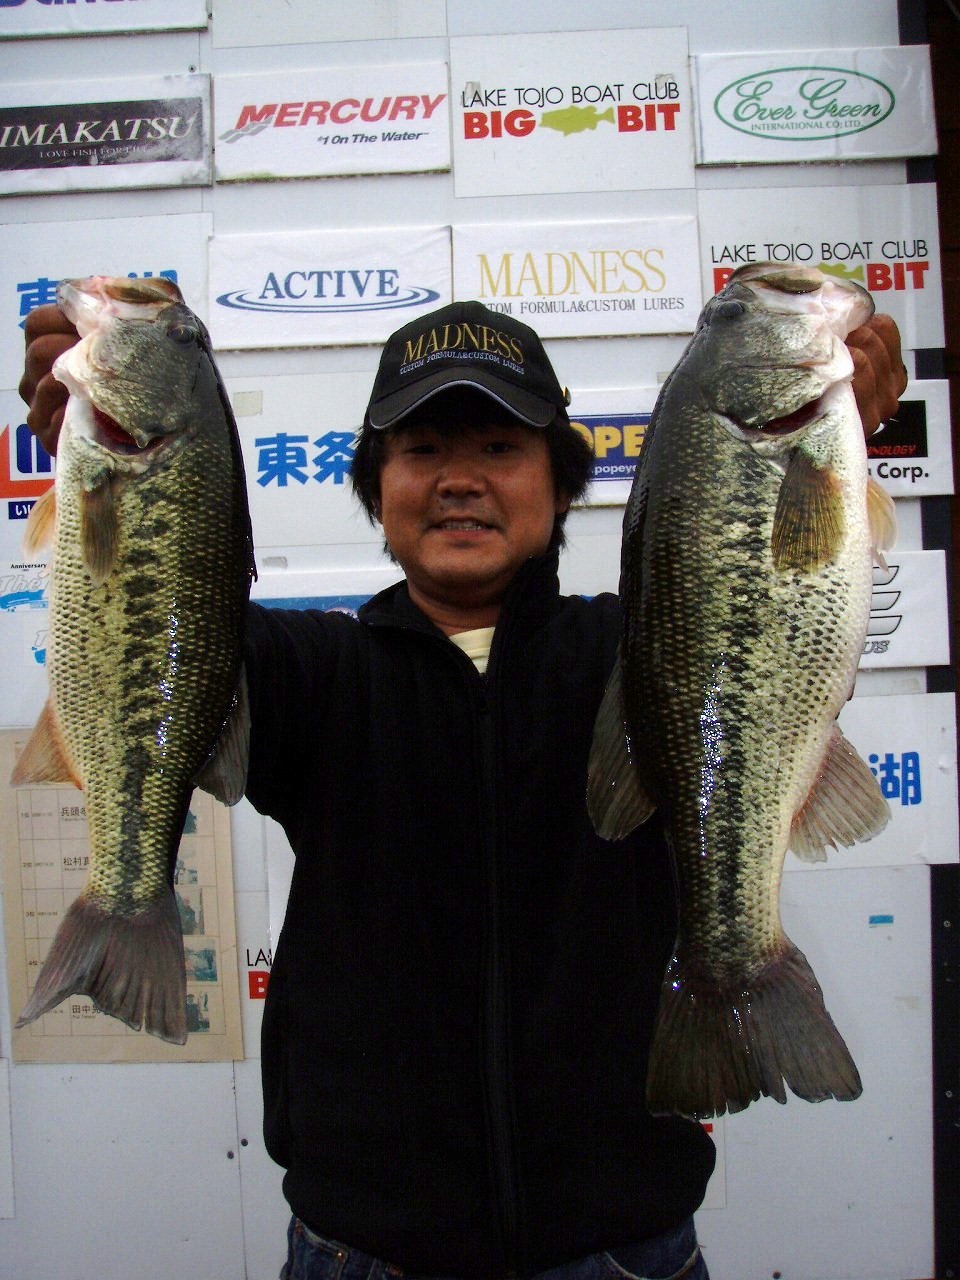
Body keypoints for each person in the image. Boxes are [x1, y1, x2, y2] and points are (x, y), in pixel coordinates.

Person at [19, 296, 907, 1280]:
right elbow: (163, 616)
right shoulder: (307, 673)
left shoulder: (649, 652)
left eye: (498, 446)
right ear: (378, 487)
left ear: (560, 485)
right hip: (359, 1245)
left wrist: (838, 433)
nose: (458, 481)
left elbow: (765, 595)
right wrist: (108, 454)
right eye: (422, 449)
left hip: (624, 1242)